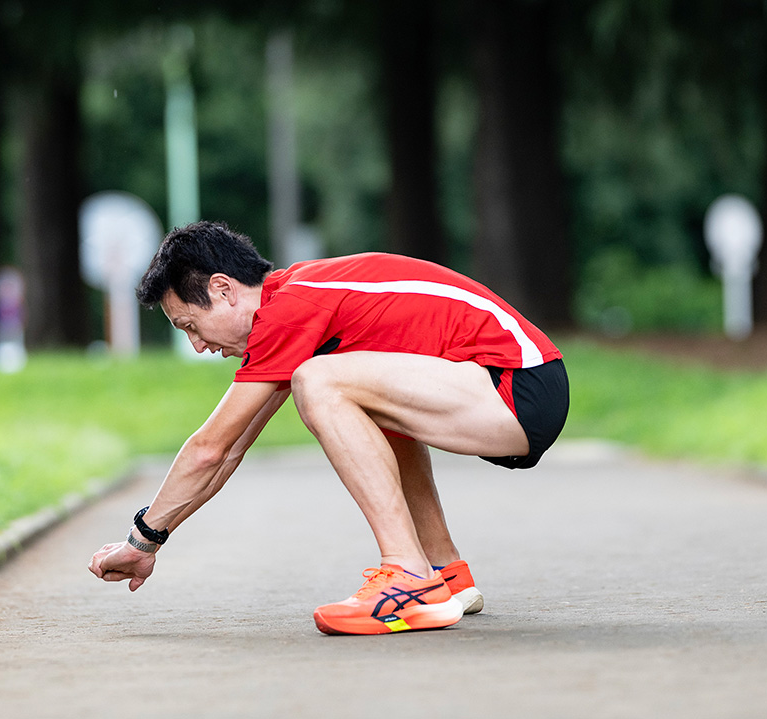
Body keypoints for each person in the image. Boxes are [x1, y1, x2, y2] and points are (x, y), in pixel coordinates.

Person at [88, 220, 569, 635]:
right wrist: (150, 542)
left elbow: (209, 449)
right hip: (510, 387)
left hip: (516, 388)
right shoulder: (293, 307)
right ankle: (444, 574)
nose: (197, 345)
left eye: (190, 325)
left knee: (318, 380)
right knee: (353, 395)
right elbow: (227, 453)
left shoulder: (291, 309)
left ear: (223, 289)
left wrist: (139, 540)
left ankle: (408, 577)